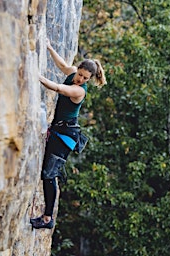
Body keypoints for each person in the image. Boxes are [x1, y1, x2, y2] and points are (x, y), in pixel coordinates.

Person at [31, 39, 106, 229]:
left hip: (65, 137)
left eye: (85, 78)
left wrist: (35, 74)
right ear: (78, 69)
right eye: (80, 74)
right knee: (47, 174)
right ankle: (47, 217)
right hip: (60, 131)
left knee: (49, 175)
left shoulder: (78, 91)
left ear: (89, 80)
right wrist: (48, 47)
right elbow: (64, 65)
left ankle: (48, 219)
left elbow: (57, 88)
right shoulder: (72, 72)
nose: (80, 79)